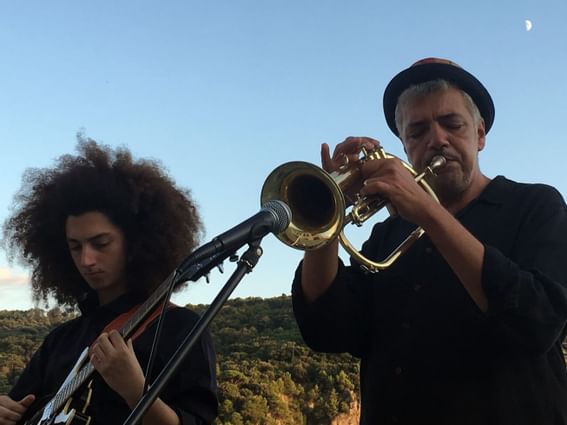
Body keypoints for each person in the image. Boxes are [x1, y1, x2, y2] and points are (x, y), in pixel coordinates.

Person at [292, 58, 567, 425]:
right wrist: (329, 210)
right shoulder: (387, 235)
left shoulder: (536, 205)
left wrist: (428, 212)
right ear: (404, 147)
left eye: (452, 124)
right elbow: (328, 329)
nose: (436, 140)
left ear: (480, 134)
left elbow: (539, 322)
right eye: (417, 132)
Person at [0, 139, 218, 425]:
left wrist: (135, 391)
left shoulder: (182, 329)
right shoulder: (60, 340)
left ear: (136, 242)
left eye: (100, 243)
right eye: (75, 246)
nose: (86, 259)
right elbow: (20, 408)